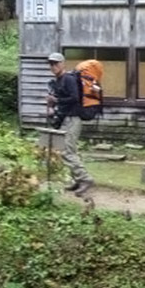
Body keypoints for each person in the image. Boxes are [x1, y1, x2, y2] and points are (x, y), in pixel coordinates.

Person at [45, 52, 94, 197]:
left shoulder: (69, 79)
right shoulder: (58, 80)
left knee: (68, 151)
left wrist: (55, 100)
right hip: (66, 118)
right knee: (67, 150)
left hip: (73, 118)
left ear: (62, 64)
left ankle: (85, 179)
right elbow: (62, 101)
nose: (53, 66)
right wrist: (53, 107)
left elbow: (75, 98)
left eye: (56, 63)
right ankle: (77, 180)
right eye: (51, 64)